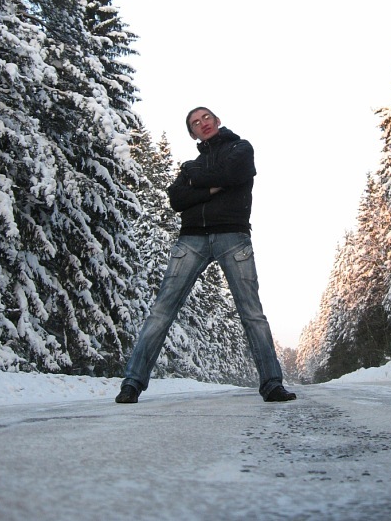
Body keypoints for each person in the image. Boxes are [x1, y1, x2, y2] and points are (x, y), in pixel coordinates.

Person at [115, 107, 296, 404]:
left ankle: (272, 384)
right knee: (162, 311)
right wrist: (213, 187)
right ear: (193, 134)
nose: (203, 123)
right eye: (195, 123)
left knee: (251, 312)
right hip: (191, 239)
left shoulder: (240, 148)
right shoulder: (191, 166)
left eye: (206, 117)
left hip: (232, 236)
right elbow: (177, 199)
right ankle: (131, 384)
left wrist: (199, 182)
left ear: (217, 120)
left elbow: (233, 174)